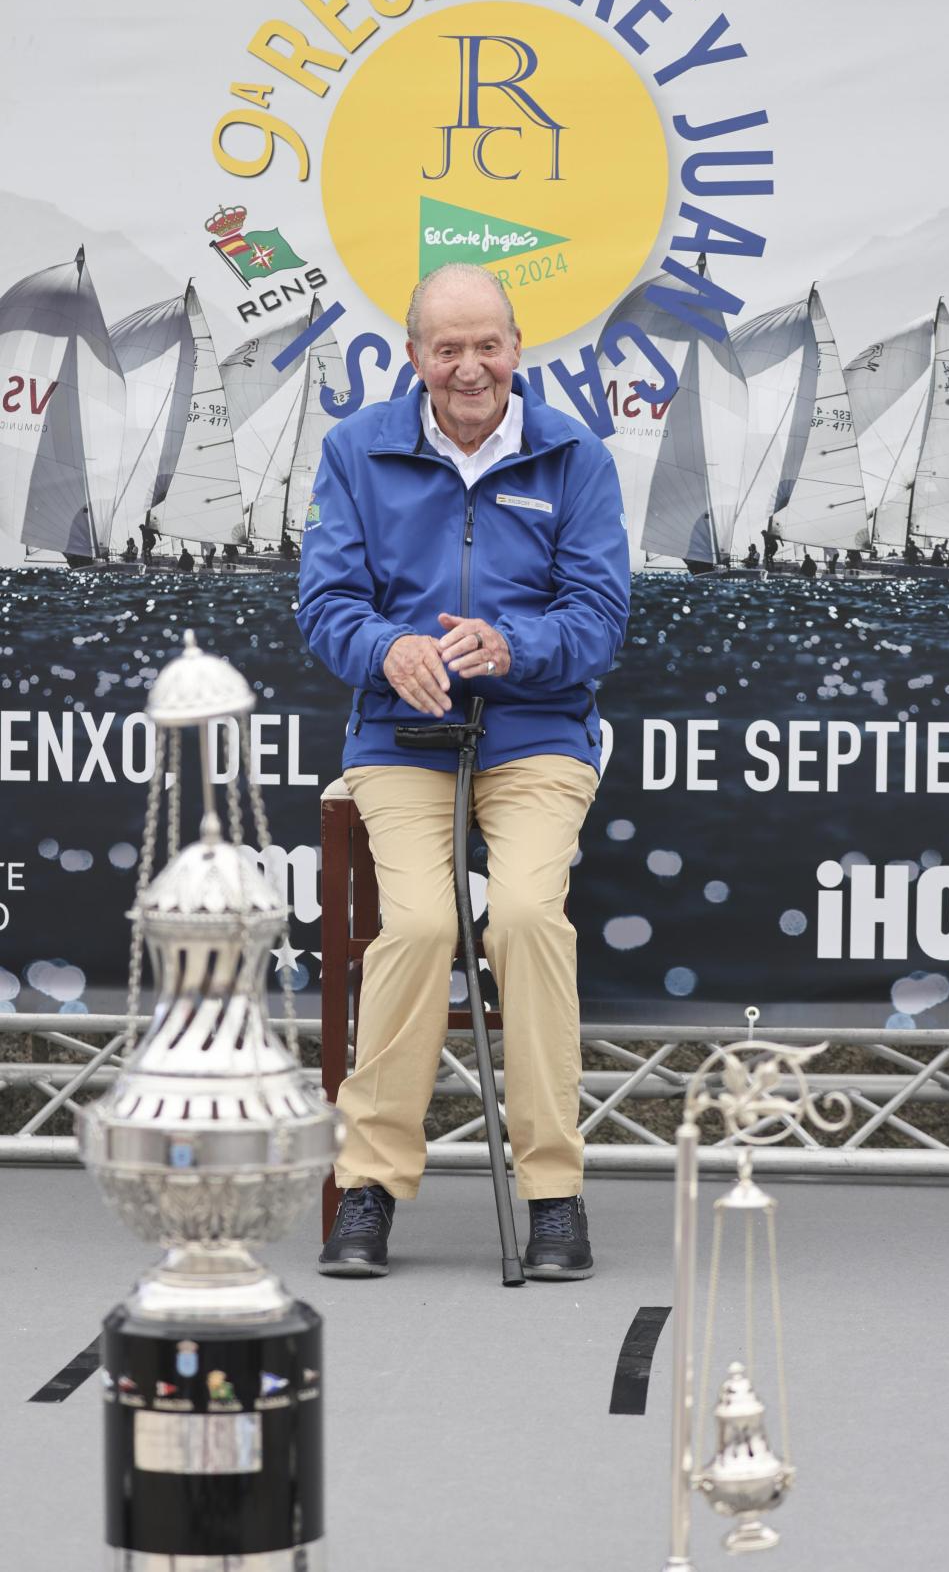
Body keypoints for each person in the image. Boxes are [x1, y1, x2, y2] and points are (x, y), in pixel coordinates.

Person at [298, 262, 630, 1281]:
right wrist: (387, 648)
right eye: (447, 347)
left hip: (535, 736)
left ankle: (554, 1192)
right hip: (400, 738)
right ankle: (369, 1184)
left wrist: (512, 646)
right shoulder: (357, 450)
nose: (470, 366)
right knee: (420, 926)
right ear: (415, 358)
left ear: (517, 348)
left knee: (527, 916)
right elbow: (325, 603)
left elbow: (600, 616)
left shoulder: (576, 455)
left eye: (488, 343)